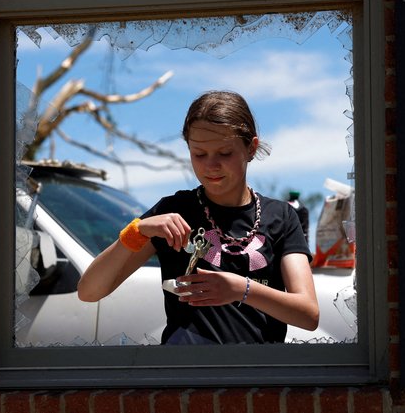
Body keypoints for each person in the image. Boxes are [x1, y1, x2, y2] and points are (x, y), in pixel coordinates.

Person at [78, 90, 319, 345]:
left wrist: (242, 289)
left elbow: (308, 314)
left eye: (225, 153)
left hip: (258, 375)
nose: (210, 165)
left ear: (251, 148)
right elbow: (89, 291)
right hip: (186, 375)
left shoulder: (281, 216)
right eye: (199, 154)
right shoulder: (173, 212)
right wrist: (137, 231)